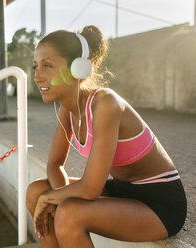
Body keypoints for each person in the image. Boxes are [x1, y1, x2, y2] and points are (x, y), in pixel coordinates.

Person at [27, 25, 187, 248]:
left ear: (77, 69)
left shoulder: (106, 104)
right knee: (36, 192)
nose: (37, 77)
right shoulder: (67, 109)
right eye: (36, 66)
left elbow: (91, 188)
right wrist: (55, 197)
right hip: (121, 189)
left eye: (47, 66)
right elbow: (55, 164)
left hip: (159, 202)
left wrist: (53, 199)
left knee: (69, 213)